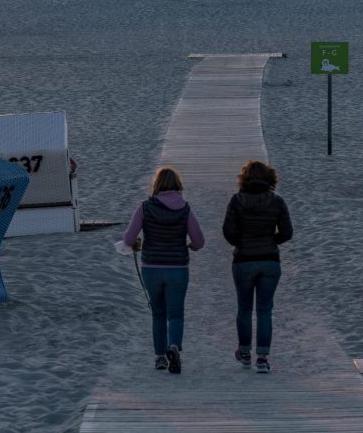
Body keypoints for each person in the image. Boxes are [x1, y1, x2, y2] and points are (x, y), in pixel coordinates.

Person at [122, 166, 205, 374]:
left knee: (158, 313)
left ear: (156, 185)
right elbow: (199, 241)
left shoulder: (144, 208)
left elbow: (128, 239)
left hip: (152, 267)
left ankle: (160, 357)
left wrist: (136, 244)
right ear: (178, 186)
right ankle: (174, 347)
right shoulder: (185, 209)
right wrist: (191, 247)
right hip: (178, 267)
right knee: (176, 314)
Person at [222, 160, 292, 374]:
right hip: (269, 260)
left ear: (244, 179)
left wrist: (241, 242)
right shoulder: (277, 201)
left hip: (243, 260)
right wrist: (271, 240)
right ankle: (262, 357)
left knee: (244, 309)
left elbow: (228, 231)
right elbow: (287, 232)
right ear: (270, 178)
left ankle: (244, 353)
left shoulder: (236, 201)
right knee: (264, 310)